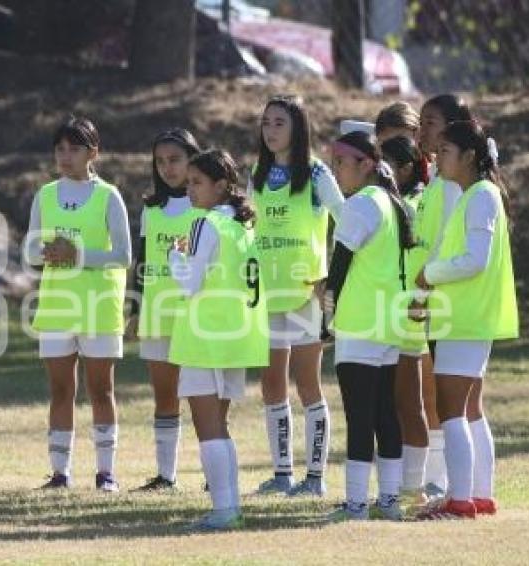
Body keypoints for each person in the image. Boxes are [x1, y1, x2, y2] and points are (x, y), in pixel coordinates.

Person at [416, 121, 518, 520]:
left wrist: (430, 274)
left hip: (465, 317)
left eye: (444, 151)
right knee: (470, 409)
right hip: (466, 316)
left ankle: (459, 502)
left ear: (469, 156)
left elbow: (475, 260)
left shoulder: (480, 196)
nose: (436, 158)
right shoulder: (475, 195)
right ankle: (480, 496)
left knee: (451, 410)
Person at [24, 117, 131, 491]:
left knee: (101, 391)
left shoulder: (109, 196)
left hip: (99, 307)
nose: (65, 156)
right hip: (57, 307)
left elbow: (123, 255)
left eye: (74, 149)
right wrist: (47, 252)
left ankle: (106, 474)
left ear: (93, 153)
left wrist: (77, 254)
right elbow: (30, 252)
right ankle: (60, 474)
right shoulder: (45, 194)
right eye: (60, 149)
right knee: (60, 391)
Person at [249, 95, 344, 497]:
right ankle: (283, 474)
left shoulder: (317, 173)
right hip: (267, 296)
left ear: (298, 128)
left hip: (306, 295)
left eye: (279, 123)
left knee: (308, 385)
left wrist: (331, 277)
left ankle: (315, 478)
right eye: (266, 123)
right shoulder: (257, 173)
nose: (271, 130)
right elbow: (248, 229)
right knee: (271, 385)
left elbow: (346, 220)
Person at [168, 149, 268, 530]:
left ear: (221, 186)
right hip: (235, 335)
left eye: (197, 182)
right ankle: (229, 507)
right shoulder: (242, 225)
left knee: (208, 426)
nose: (189, 189)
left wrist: (173, 257)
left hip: (205, 335)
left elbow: (190, 285)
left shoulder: (205, 223)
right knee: (219, 426)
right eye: (188, 182)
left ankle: (225, 510)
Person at [322, 131, 415, 521]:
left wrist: (326, 319)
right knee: (384, 415)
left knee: (360, 416)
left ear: (366, 164)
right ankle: (389, 501)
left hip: (360, 324)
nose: (336, 171)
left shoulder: (361, 203)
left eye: (341, 163)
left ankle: (357, 504)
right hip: (389, 324)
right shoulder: (392, 202)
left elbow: (339, 267)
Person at [125, 128, 203, 490]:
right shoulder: (152, 207)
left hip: (196, 314)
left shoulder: (205, 206)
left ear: (192, 160)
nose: (168, 168)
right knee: (165, 396)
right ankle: (166, 475)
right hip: (157, 314)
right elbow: (142, 262)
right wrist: (135, 309)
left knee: (204, 397)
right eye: (160, 162)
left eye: (175, 160)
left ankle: (212, 474)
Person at [411, 94, 473, 497]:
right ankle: (448, 485)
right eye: (421, 122)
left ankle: (451, 487)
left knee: (454, 404)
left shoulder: (452, 182)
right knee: (450, 401)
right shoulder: (436, 175)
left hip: (446, 296)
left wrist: (424, 285)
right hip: (436, 293)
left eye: (430, 122)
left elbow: (446, 241)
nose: (422, 130)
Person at [380, 134, 433, 512]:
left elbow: (423, 261)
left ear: (407, 168)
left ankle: (414, 488)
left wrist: (418, 300)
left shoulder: (415, 204)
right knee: (392, 407)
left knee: (408, 405)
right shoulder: (391, 203)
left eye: (386, 166)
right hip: (386, 315)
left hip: (407, 317)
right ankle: (394, 487)